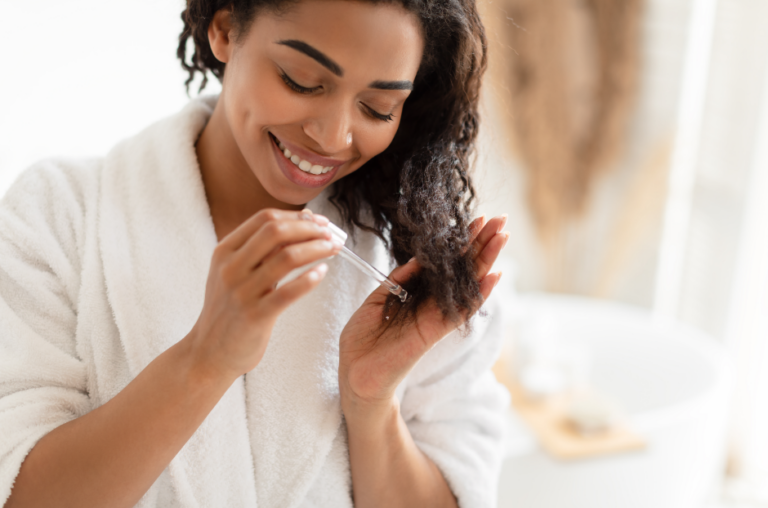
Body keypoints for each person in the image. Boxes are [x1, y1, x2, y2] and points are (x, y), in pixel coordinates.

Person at [0, 0, 510, 506]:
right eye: (301, 80)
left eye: (378, 108)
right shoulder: (60, 214)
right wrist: (205, 358)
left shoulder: (417, 260)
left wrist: (371, 400)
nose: (333, 137)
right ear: (224, 30)